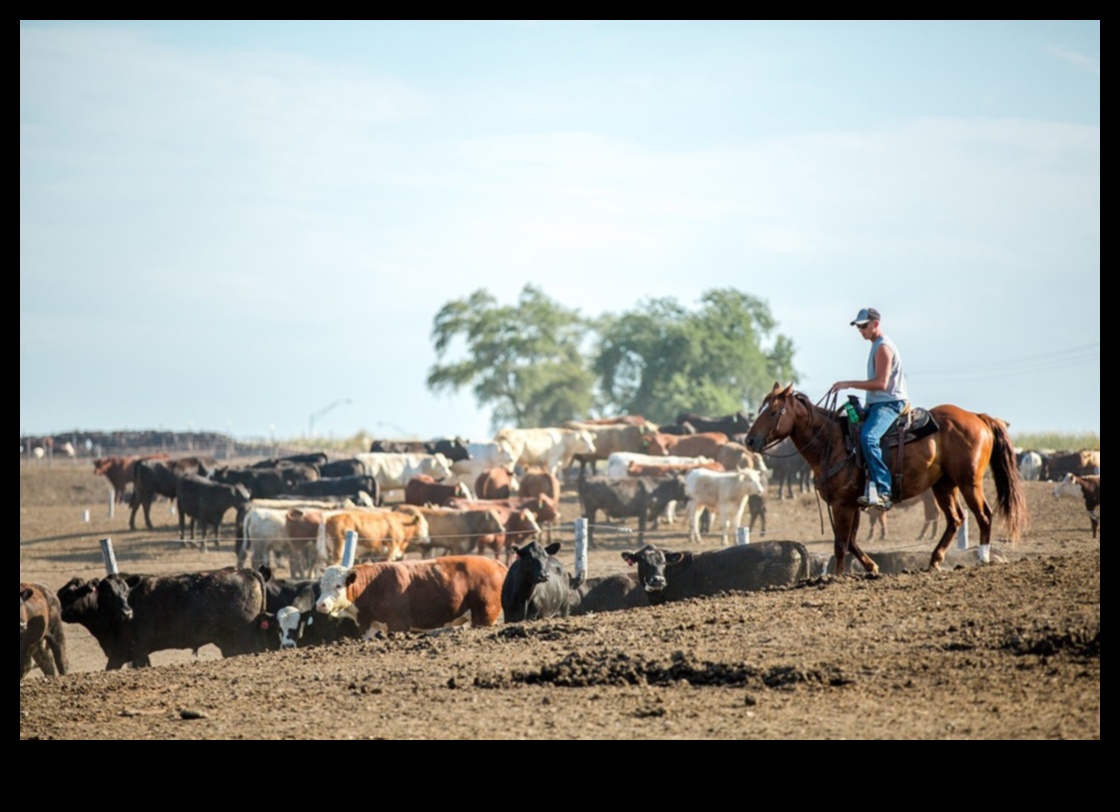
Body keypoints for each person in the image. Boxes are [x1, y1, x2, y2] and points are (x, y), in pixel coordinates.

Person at [829, 307, 909, 510]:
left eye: (864, 326)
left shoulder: (883, 347)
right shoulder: (875, 345)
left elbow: (881, 384)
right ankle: (866, 485)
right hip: (876, 403)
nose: (861, 330)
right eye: (858, 327)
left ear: (876, 323)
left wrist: (849, 383)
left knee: (868, 438)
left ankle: (883, 490)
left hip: (890, 403)